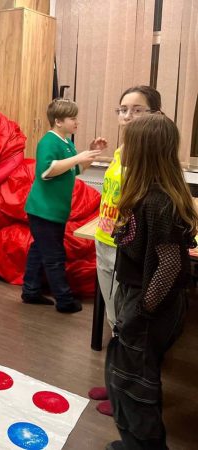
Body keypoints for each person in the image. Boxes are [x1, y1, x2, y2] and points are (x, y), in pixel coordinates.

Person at [105, 113, 197, 450]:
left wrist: (142, 311)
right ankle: (133, 443)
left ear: (144, 150)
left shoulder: (159, 202)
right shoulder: (145, 192)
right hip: (137, 294)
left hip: (148, 304)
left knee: (136, 386)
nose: (122, 149)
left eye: (128, 143)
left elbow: (170, 266)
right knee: (124, 378)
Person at [89, 86, 162, 416]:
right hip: (105, 242)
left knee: (129, 325)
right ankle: (116, 381)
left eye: (137, 110)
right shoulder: (121, 151)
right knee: (113, 318)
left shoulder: (151, 157)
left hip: (127, 251)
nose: (127, 116)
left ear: (155, 115)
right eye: (123, 109)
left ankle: (127, 394)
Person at [22, 99, 106, 313]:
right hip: (43, 211)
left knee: (39, 250)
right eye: (72, 118)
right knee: (54, 257)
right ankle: (64, 300)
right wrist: (78, 157)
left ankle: (30, 291)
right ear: (58, 121)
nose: (77, 122)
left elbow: (76, 170)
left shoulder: (67, 143)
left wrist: (91, 152)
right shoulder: (48, 142)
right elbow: (46, 171)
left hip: (55, 211)